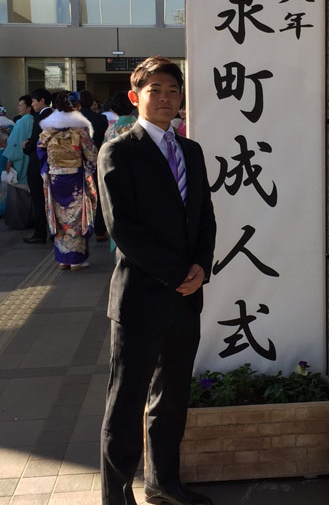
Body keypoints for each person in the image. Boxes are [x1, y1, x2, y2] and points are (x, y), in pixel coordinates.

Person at [98, 56, 216, 505]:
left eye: (172, 90)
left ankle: (163, 483)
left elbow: (204, 217)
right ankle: (116, 495)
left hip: (186, 299)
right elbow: (122, 228)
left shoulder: (191, 151)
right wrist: (176, 273)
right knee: (125, 402)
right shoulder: (118, 151)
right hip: (141, 300)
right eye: (155, 90)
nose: (165, 98)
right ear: (135, 97)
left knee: (171, 399)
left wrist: (200, 267)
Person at [38, 90, 98, 271]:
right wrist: (89, 168)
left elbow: (41, 151)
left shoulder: (48, 129)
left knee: (59, 215)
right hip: (75, 177)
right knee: (75, 217)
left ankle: (63, 259)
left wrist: (47, 170)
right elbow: (91, 154)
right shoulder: (79, 128)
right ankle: (76, 260)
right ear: (76, 106)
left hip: (55, 177)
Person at [22, 88, 53, 243]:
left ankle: (40, 233)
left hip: (38, 165)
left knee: (39, 200)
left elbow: (36, 141)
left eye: (34, 101)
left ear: (42, 101)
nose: (32, 104)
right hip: (52, 164)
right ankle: (54, 231)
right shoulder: (54, 115)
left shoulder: (40, 117)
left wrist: (26, 146)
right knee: (52, 200)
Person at [79, 89, 109, 241]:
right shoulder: (101, 118)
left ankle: (80, 229)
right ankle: (100, 230)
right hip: (96, 161)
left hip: (77, 163)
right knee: (97, 195)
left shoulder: (74, 120)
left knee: (78, 197)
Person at [3, 96, 34, 184]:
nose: (18, 108)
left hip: (19, 158)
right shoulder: (34, 120)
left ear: (29, 108)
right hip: (30, 158)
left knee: (18, 185)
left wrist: (9, 161)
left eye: (21, 106)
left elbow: (14, 143)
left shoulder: (20, 122)